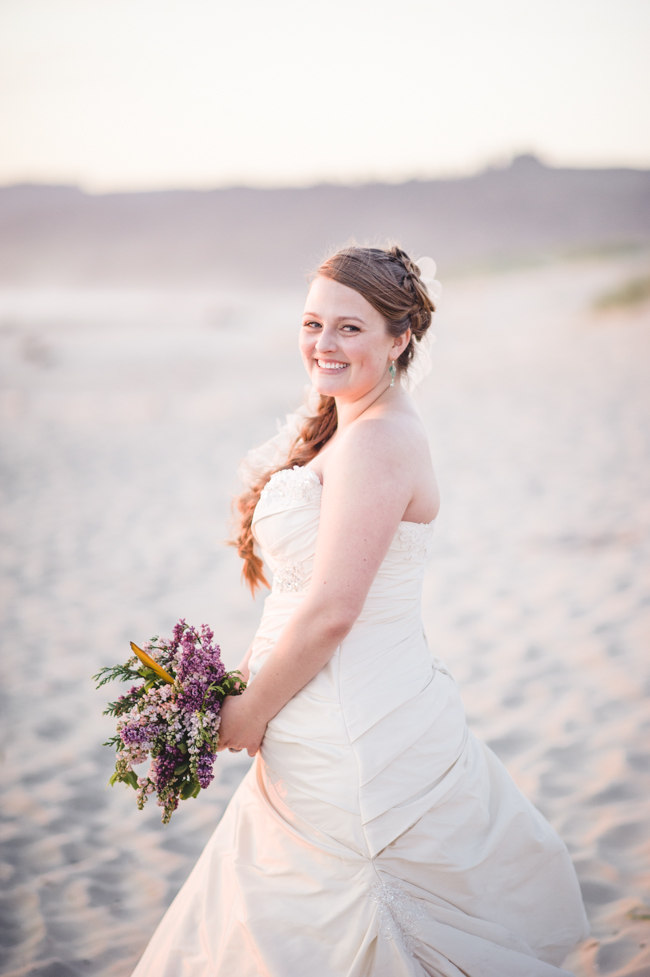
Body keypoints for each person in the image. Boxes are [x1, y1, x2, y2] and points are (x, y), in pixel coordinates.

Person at [132, 245, 588, 976]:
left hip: (352, 735)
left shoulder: (379, 439)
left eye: (350, 327)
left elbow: (335, 610)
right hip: (318, 714)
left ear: (399, 337)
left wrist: (247, 715)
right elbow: (295, 588)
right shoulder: (348, 425)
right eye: (313, 323)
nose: (324, 343)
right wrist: (233, 684)